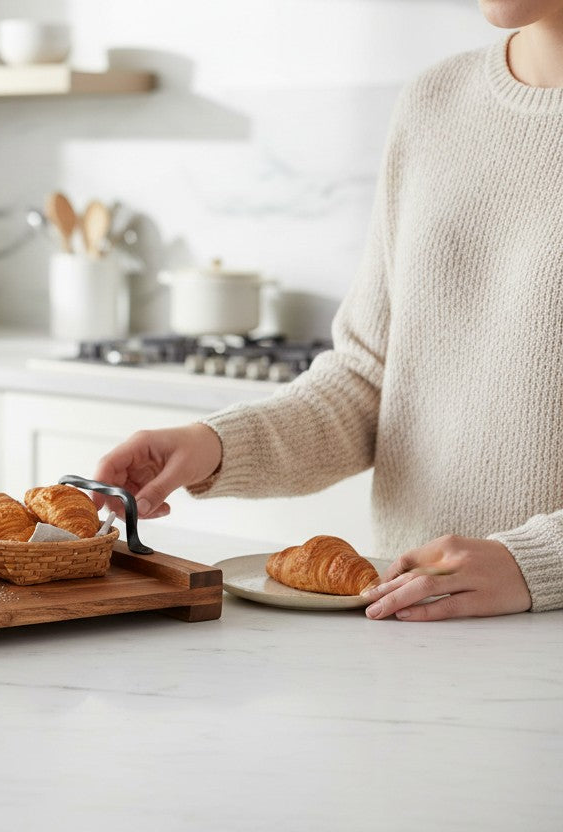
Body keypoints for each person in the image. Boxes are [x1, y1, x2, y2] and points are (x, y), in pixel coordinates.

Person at [92, 0, 563, 621]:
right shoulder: (436, 103)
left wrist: (535, 562)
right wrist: (213, 444)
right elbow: (368, 381)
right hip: (406, 628)